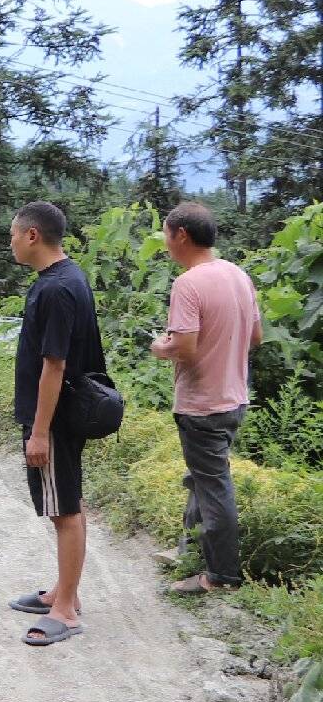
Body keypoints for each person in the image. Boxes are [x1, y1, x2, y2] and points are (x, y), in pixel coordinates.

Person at [7, 200, 107, 647]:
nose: (10, 242)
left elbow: (54, 365)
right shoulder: (66, 278)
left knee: (64, 509)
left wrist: (40, 430)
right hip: (63, 414)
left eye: (13, 234)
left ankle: (65, 611)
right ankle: (63, 593)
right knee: (68, 501)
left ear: (32, 235)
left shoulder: (55, 289)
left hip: (56, 418)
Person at [149, 200, 261, 596]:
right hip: (234, 399)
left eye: (166, 234)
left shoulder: (188, 283)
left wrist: (161, 347)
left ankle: (221, 577)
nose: (165, 243)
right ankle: (189, 550)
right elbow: (256, 338)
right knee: (202, 478)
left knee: (214, 488)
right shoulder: (238, 275)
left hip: (202, 405)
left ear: (181, 235)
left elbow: (187, 349)